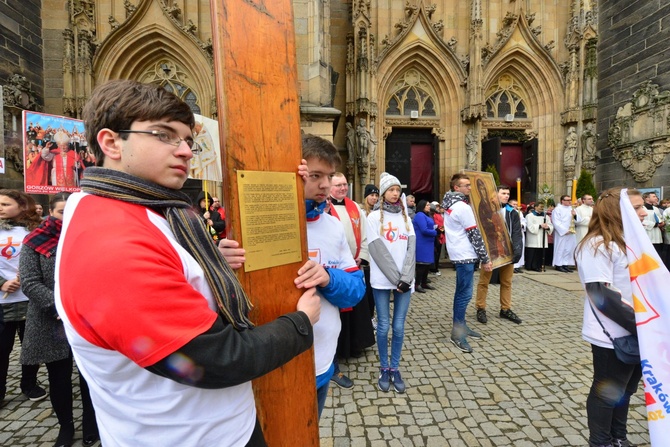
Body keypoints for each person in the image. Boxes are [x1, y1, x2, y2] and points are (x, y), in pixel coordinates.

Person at [54, 80, 321, 446]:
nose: (184, 152)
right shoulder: (111, 242)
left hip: (214, 426)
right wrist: (301, 322)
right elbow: (220, 359)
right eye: (164, 135)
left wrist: (209, 267)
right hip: (188, 436)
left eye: (187, 141)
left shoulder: (143, 209)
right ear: (111, 142)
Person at [19, 193, 99, 447]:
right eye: (62, 211)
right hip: (50, 318)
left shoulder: (90, 238)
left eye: (72, 211)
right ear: (51, 212)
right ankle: (66, 427)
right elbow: (30, 282)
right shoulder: (34, 241)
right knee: (59, 377)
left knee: (89, 377)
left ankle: (91, 425)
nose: (68, 217)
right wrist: (59, 307)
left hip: (87, 318)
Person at [575, 187, 646, 447]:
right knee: (606, 392)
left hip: (640, 329)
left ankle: (619, 437)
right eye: (637, 207)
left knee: (626, 390)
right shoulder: (597, 244)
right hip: (613, 333)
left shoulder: (629, 240)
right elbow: (600, 293)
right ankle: (601, 441)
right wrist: (642, 324)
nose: (644, 212)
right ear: (618, 210)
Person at [300, 135, 365, 416]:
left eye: (328, 176)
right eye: (315, 175)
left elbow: (356, 289)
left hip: (323, 363)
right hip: (277, 366)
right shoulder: (260, 223)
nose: (325, 185)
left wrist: (327, 277)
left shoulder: (333, 226)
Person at [366, 172, 416, 393]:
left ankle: (395, 368)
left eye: (398, 190)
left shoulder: (406, 219)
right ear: (384, 193)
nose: (395, 194)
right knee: (384, 326)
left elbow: (411, 250)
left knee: (398, 327)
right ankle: (384, 367)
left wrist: (405, 279)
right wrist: (397, 279)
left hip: (405, 281)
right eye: (391, 190)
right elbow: (377, 251)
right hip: (382, 280)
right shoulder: (373, 218)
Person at [327, 172, 374, 389]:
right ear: (329, 187)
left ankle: (354, 345)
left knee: (356, 308)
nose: (342, 188)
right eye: (338, 185)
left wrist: (362, 256)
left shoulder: (356, 208)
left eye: (345, 184)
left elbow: (365, 235)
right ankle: (336, 352)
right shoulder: (324, 208)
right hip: (333, 270)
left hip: (354, 265)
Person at [0, 190, 47, 405]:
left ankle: (29, 383)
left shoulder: (34, 231)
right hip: (3, 301)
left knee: (30, 346)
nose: (0, 207)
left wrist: (30, 275)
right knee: (2, 348)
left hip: (29, 298)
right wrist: (2, 283)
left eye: (5, 204)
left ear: (21, 206)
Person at [442, 173, 492, 354]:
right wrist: (485, 258)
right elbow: (474, 234)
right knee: (464, 295)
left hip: (459, 253)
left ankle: (462, 326)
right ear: (456, 188)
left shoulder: (449, 203)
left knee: (461, 293)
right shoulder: (462, 207)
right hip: (465, 255)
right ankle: (457, 334)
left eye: (469, 185)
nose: (469, 188)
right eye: (465, 185)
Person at [475, 186, 523, 325]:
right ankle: (480, 308)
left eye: (508, 193)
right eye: (503, 193)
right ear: (495, 194)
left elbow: (516, 232)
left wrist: (517, 249)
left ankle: (505, 309)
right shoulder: (486, 209)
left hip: (506, 251)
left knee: (506, 282)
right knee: (484, 281)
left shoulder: (511, 212)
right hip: (490, 251)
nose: (506, 196)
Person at [552, 195, 582, 273]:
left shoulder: (572, 209)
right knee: (561, 248)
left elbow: (578, 220)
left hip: (571, 232)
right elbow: (556, 221)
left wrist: (575, 215)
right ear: (562, 201)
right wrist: (564, 230)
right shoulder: (557, 209)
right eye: (567, 200)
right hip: (562, 233)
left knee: (569, 248)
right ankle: (558, 264)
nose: (569, 201)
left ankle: (565, 264)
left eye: (570, 200)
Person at [412, 200, 437, 293]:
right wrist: (435, 232)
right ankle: (417, 284)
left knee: (427, 264)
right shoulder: (419, 215)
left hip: (428, 243)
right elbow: (424, 229)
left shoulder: (426, 215)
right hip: (422, 243)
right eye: (427, 205)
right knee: (421, 265)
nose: (429, 206)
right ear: (422, 206)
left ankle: (424, 282)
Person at [524, 202, 553, 272]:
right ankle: (530, 266)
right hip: (533, 238)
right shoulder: (530, 216)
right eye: (540, 206)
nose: (542, 208)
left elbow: (550, 225)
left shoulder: (546, 216)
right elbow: (530, 226)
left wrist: (548, 227)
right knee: (533, 252)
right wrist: (540, 226)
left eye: (543, 207)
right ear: (535, 207)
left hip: (542, 236)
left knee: (540, 253)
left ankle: (539, 266)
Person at [641, 192, 664, 260]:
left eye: (656, 196)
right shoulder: (642, 208)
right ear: (647, 198)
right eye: (654, 196)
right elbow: (640, 221)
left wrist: (662, 223)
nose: (656, 198)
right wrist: (654, 224)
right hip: (647, 234)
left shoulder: (656, 209)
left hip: (657, 235)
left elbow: (660, 218)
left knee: (658, 255)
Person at [429, 201, 445, 276]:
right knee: (435, 253)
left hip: (440, 234)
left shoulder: (438, 214)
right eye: (437, 206)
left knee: (437, 253)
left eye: (439, 206)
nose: (438, 208)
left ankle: (435, 267)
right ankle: (433, 268)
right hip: (436, 234)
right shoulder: (434, 215)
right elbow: (436, 224)